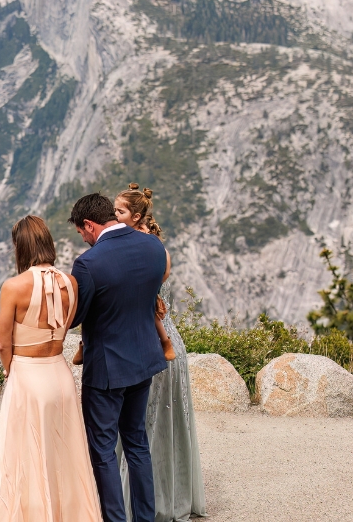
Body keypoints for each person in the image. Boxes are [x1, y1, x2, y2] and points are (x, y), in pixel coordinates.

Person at [0, 215, 102, 522]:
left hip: (28, 375)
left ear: (20, 247)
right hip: (60, 374)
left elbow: (3, 344)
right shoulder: (71, 282)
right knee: (65, 456)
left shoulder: (14, 286)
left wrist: (7, 370)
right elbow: (66, 327)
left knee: (25, 456)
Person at [70, 192, 168, 522]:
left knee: (103, 449)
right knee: (137, 443)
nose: (83, 240)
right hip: (145, 359)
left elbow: (75, 316)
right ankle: (145, 517)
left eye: (81, 233)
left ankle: (114, 519)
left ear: (89, 224)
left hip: (107, 368)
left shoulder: (89, 263)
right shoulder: (153, 247)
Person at [113, 186, 207, 522]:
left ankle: (138, 501)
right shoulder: (157, 250)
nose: (114, 219)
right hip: (165, 343)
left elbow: (148, 305)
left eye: (119, 213)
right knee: (157, 425)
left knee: (141, 426)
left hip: (152, 343)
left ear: (135, 217)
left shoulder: (135, 253)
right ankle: (166, 495)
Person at [115, 185, 175, 362]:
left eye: (120, 212)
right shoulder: (138, 238)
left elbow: (164, 271)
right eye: (115, 211)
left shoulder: (144, 240)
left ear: (135, 217)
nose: (115, 215)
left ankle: (165, 342)